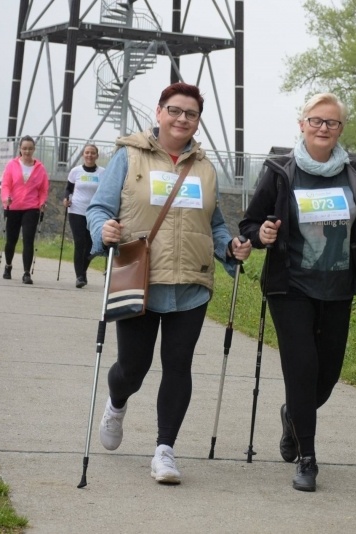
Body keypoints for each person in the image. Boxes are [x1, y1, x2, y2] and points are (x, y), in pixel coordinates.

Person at [239, 92, 356, 492]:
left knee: (328, 376)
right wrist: (262, 235)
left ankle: (293, 417)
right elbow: (249, 223)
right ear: (302, 124)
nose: (323, 128)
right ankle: (307, 458)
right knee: (302, 371)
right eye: (316, 121)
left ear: (340, 130)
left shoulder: (353, 175)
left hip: (337, 289)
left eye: (331, 123)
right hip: (291, 287)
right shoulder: (281, 172)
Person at [86, 82, 252, 485]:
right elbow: (100, 208)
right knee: (133, 368)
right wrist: (102, 229)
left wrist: (229, 248)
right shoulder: (129, 157)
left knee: (178, 366)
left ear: (198, 121)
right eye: (175, 111)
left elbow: (212, 223)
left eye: (191, 114)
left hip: (191, 283)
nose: (182, 119)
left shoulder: (206, 167)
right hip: (140, 278)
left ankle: (164, 450)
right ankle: (117, 402)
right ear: (158, 112)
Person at [0, 135, 49, 285]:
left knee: (28, 240)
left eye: (30, 148)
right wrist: (6, 197)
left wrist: (42, 202)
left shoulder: (40, 168)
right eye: (24, 148)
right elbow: (6, 184)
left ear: (34, 149)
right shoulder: (12, 165)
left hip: (31, 208)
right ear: (20, 149)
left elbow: (43, 189)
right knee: (11, 240)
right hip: (13, 206)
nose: (27, 151)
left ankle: (26, 273)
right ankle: (8, 265)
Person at [63, 143, 104, 288]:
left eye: (93, 153)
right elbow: (68, 189)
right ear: (83, 155)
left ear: (97, 156)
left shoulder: (102, 173)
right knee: (79, 243)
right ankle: (79, 276)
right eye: (87, 152)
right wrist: (66, 198)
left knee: (91, 245)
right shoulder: (75, 171)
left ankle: (83, 270)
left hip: (94, 212)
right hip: (76, 211)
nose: (89, 155)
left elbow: (106, 191)